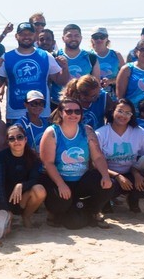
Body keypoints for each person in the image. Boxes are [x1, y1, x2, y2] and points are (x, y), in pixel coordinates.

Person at [38, 97, 113, 228]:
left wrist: (106, 176)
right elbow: (48, 163)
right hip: (59, 179)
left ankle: (92, 211)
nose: (73, 114)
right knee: (64, 208)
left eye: (77, 111)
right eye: (69, 111)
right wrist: (61, 184)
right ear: (61, 113)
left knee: (108, 184)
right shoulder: (52, 132)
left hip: (81, 180)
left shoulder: (87, 131)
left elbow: (98, 157)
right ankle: (56, 213)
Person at [0, 22, 67, 122]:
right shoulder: (6, 57)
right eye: (22, 34)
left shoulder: (46, 56)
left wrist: (65, 68)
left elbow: (60, 80)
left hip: (42, 112)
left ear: (34, 36)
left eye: (30, 34)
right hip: (15, 113)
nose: (26, 37)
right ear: (16, 36)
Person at [0, 124, 47, 242]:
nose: (16, 141)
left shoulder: (33, 157)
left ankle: (26, 216)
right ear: (8, 142)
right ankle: (7, 217)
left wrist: (21, 185)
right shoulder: (2, 156)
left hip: (22, 199)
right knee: (2, 233)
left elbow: (35, 179)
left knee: (40, 190)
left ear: (25, 139)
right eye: (12, 138)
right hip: (4, 198)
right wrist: (5, 208)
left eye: (19, 137)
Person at [94, 98, 144, 212]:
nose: (123, 115)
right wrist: (117, 176)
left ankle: (132, 199)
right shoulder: (101, 133)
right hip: (107, 174)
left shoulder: (138, 132)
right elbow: (94, 163)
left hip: (130, 172)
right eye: (120, 111)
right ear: (112, 112)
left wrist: (138, 173)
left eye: (128, 113)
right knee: (108, 186)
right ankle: (105, 202)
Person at [88, 27, 123, 93]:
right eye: (96, 37)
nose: (99, 39)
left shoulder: (116, 55)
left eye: (102, 37)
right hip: (94, 95)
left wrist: (110, 81)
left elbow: (125, 77)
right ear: (92, 39)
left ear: (107, 38)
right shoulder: (88, 56)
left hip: (113, 95)